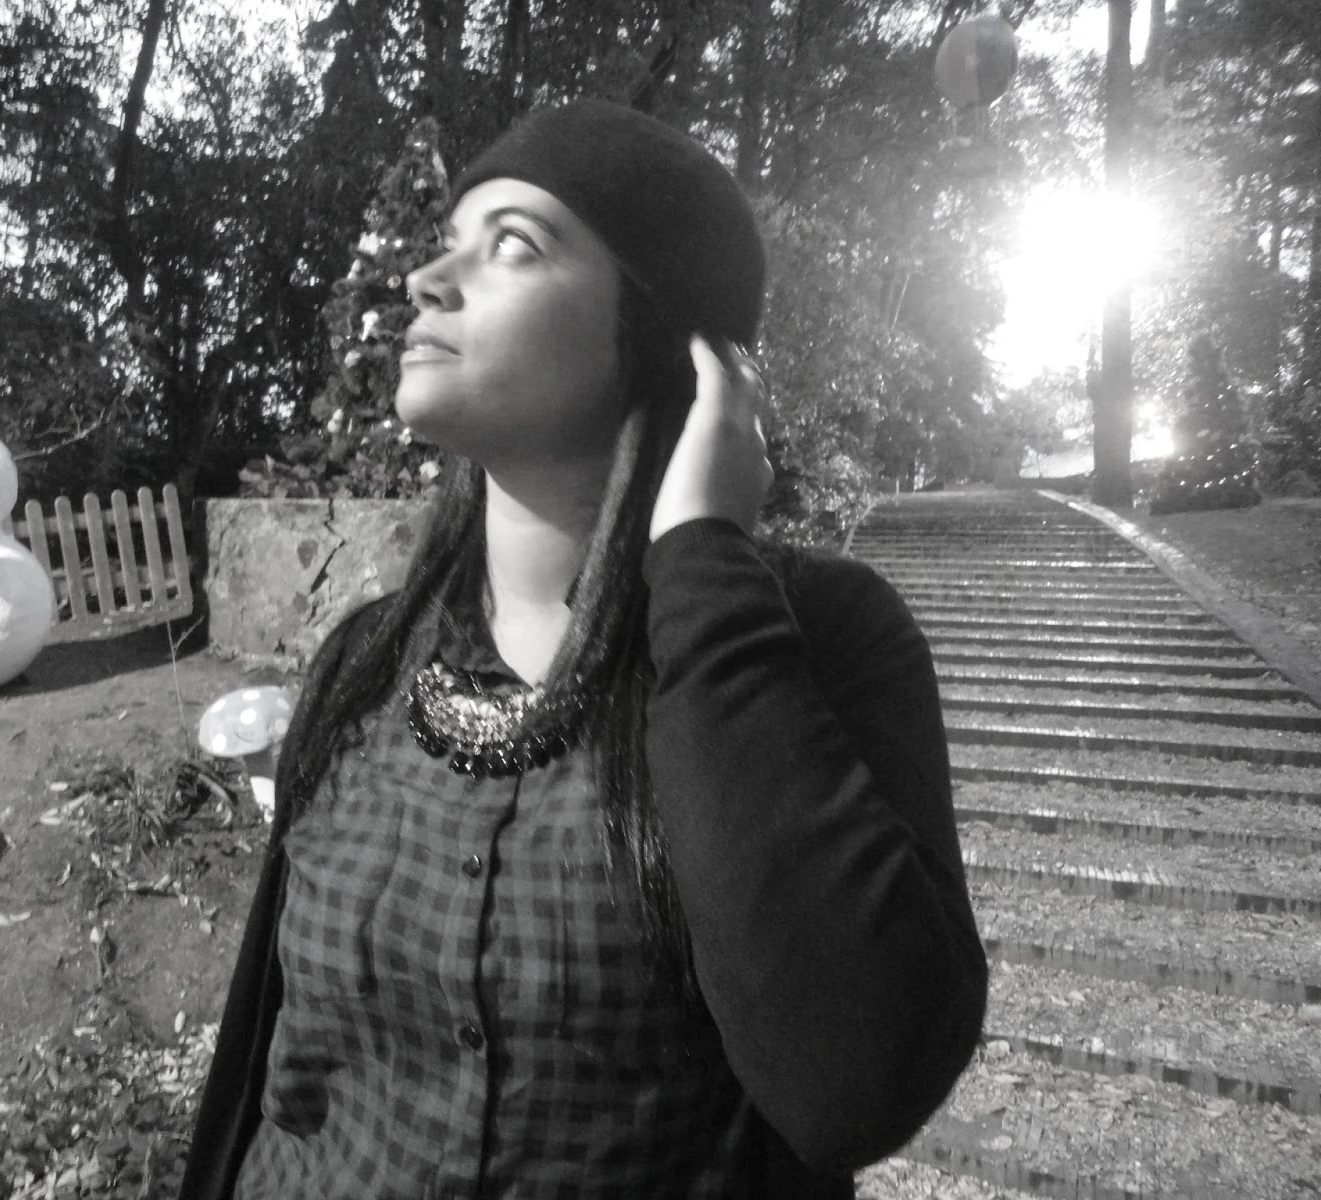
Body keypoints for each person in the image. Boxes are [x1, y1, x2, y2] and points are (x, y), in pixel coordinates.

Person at [180, 99, 987, 1200]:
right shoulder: (364, 661)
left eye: (513, 243)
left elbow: (854, 1084)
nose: (426, 280)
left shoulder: (824, 640)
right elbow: (264, 1068)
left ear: (667, 336)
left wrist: (704, 567)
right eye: (447, 241)